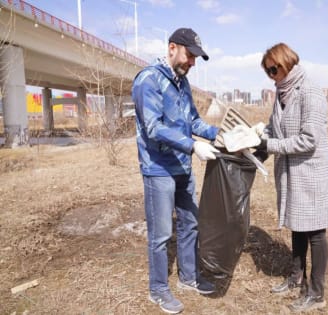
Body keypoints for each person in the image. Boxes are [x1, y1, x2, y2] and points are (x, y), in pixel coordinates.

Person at [132, 27, 220, 314]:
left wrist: (219, 135)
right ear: (172, 47)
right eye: (190, 55)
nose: (192, 62)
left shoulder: (182, 84)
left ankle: (188, 278)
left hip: (182, 166)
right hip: (158, 169)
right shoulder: (149, 80)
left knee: (190, 223)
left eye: (195, 58)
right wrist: (193, 147)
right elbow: (154, 128)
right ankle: (157, 290)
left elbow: (193, 121)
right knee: (160, 234)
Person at [252, 42, 328, 313]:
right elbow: (272, 128)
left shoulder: (309, 91)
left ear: (287, 62)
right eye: (268, 71)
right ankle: (295, 278)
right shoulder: (280, 94)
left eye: (274, 68)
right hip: (293, 175)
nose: (272, 74)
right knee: (298, 227)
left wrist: (272, 146)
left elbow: (309, 140)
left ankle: (316, 293)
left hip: (312, 174)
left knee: (316, 233)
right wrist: (257, 141)